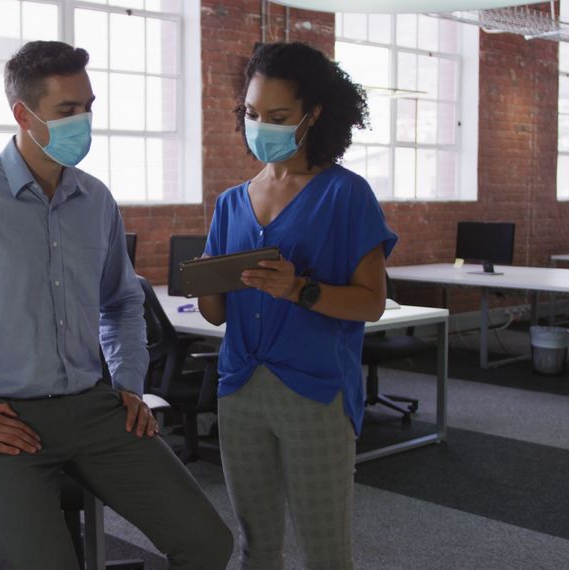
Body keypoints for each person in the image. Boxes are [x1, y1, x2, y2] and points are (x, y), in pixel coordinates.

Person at [0, 41, 232, 570]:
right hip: (0, 418)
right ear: (23, 113)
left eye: (88, 106)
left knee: (208, 543)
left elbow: (124, 302)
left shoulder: (96, 200)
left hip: (94, 406)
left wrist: (129, 380)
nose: (83, 120)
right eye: (67, 110)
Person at [198, 42, 397, 570]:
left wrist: (298, 289)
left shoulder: (346, 195)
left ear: (314, 114)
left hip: (314, 389)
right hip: (240, 388)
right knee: (255, 546)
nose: (261, 126)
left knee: (324, 550)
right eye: (252, 114)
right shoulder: (231, 202)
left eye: (279, 116)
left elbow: (372, 303)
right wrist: (205, 281)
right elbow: (216, 314)